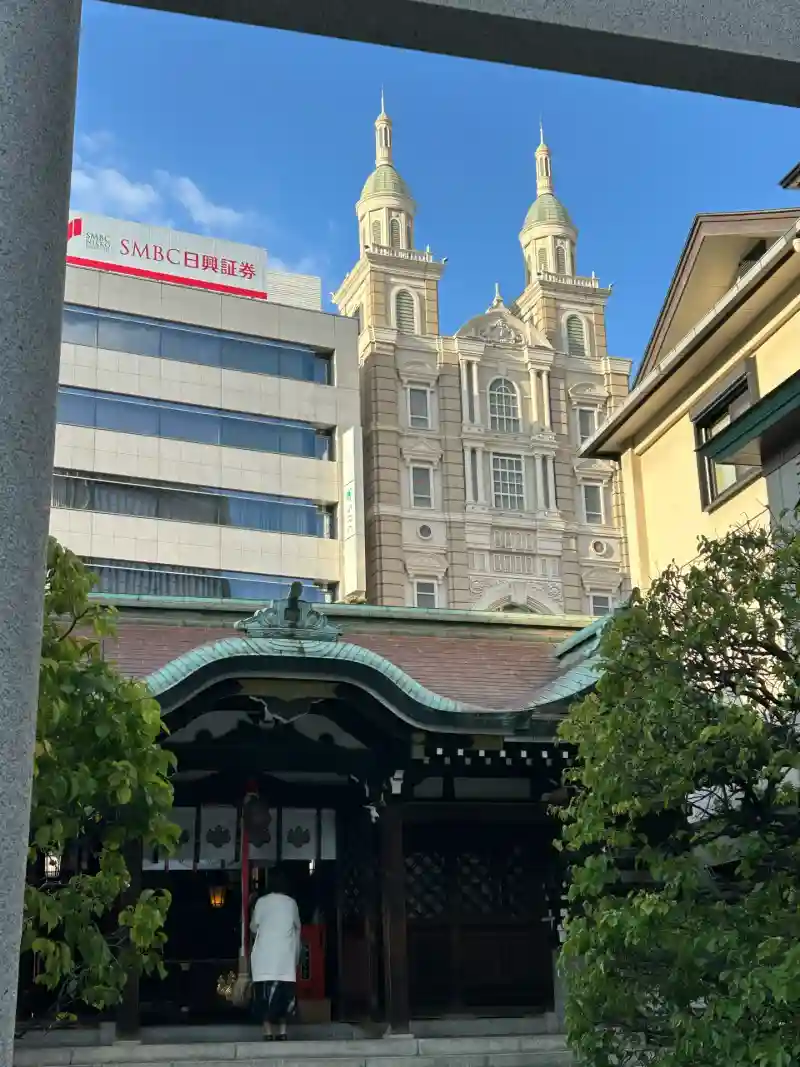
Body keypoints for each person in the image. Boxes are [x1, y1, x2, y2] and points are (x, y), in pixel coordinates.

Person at [250, 866, 301, 1041]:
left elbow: (253, 927)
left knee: (264, 997)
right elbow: (297, 926)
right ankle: (283, 1031)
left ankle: (267, 1031)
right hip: (285, 957)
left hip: (264, 957)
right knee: (284, 995)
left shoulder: (261, 902)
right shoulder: (291, 903)